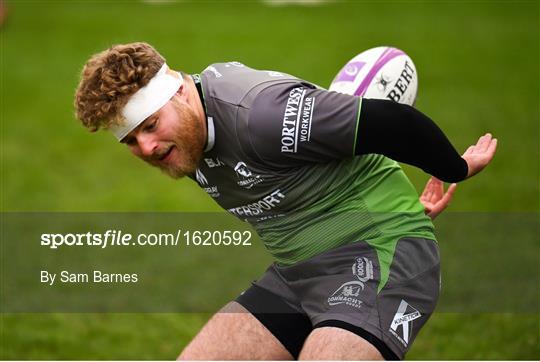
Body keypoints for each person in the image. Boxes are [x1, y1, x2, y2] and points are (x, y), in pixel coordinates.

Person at [74, 42, 496, 360]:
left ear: (182, 91)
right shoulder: (184, 134)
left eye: (149, 126)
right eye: (131, 140)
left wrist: (454, 168)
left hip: (384, 256)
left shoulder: (263, 116)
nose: (146, 147)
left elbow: (393, 122)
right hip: (299, 275)